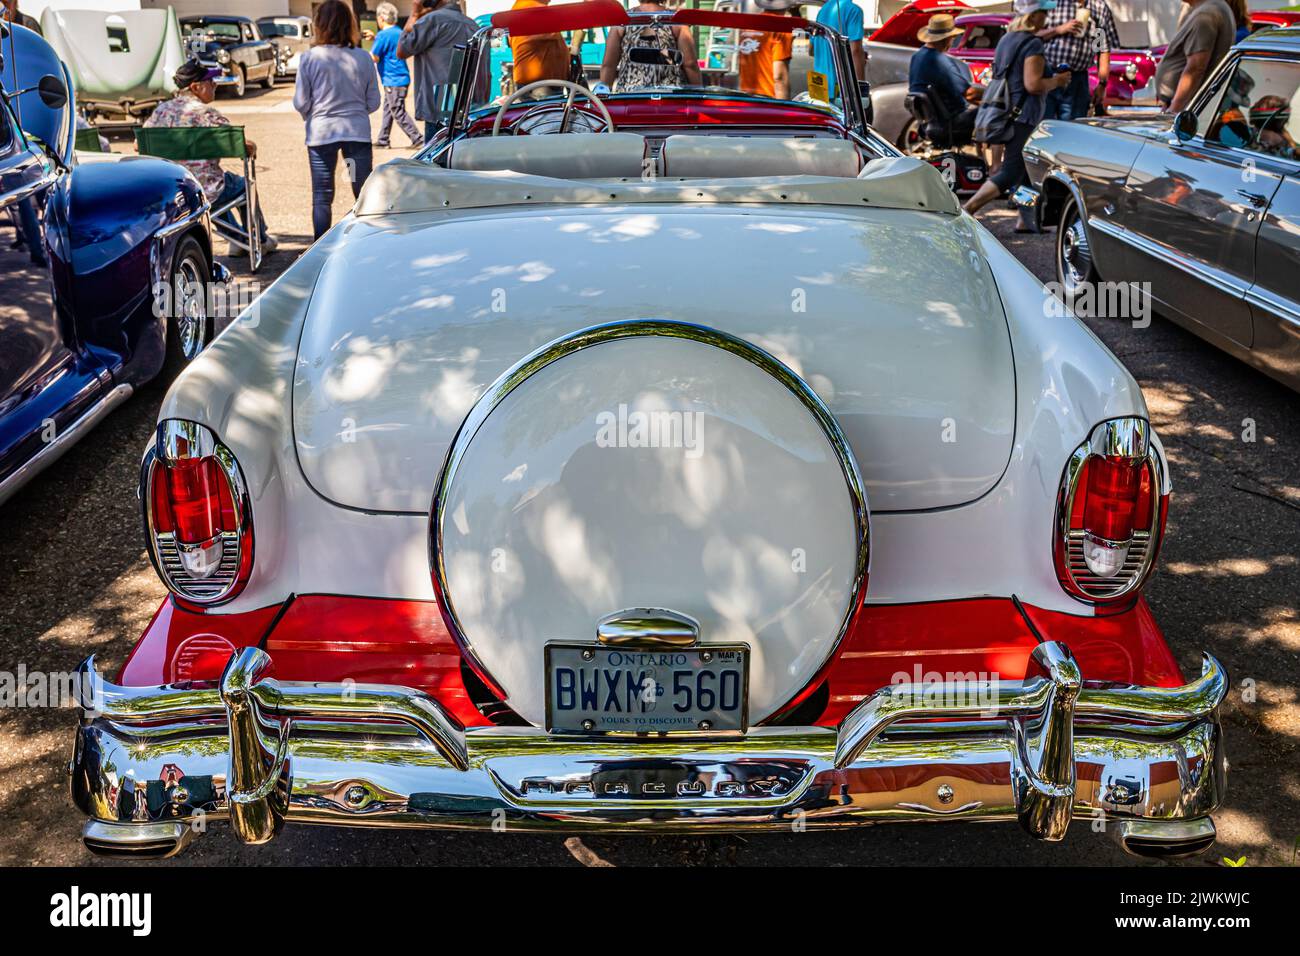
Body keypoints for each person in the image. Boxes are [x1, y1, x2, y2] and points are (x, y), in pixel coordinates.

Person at [145, 58, 274, 251]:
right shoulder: (206, 114)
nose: (215, 85)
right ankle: (258, 240)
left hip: (172, 189)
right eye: (210, 82)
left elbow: (139, 143)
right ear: (196, 87)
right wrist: (252, 146)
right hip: (204, 188)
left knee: (216, 186)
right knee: (240, 186)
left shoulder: (160, 111)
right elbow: (240, 145)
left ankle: (237, 239)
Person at [963, 0, 1072, 221]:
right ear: (1031, 17)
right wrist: (1058, 81)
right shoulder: (1033, 44)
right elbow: (1032, 84)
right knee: (1011, 171)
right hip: (1022, 115)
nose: (1046, 18)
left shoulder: (1006, 40)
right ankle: (968, 209)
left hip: (1005, 111)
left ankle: (1026, 219)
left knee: (1024, 170)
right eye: (1042, 13)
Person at [294, 1, 380, 240]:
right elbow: (373, 102)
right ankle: (365, 241)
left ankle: (320, 247)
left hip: (321, 134)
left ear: (319, 25)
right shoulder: (363, 58)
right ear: (349, 24)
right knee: (361, 191)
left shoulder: (309, 58)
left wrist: (312, 114)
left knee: (322, 195)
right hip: (356, 133)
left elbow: (301, 102)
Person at [398, 0, 477, 143]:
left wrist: (414, 14)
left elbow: (402, 50)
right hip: (468, 107)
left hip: (438, 108)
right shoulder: (473, 25)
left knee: (435, 161)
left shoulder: (432, 21)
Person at [1039, 0, 1121, 120]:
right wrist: (1059, 29)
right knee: (1043, 128)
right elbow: (1034, 35)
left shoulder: (1098, 7)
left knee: (1073, 129)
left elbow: (1102, 48)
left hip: (1077, 79)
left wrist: (1102, 84)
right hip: (1049, 76)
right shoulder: (1052, 3)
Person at [908, 14, 981, 141]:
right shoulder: (940, 61)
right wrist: (992, 93)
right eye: (952, 38)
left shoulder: (917, 56)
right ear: (947, 39)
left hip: (928, 122)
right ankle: (995, 159)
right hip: (950, 122)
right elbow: (969, 93)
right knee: (996, 111)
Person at [601, 2, 701, 92]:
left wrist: (603, 96)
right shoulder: (676, 21)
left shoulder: (623, 20)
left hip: (630, 96)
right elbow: (690, 64)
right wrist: (699, 94)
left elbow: (609, 65)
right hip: (670, 95)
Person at [1154, 0, 1234, 113]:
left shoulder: (1205, 15)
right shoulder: (1212, 8)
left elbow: (1196, 68)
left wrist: (1175, 109)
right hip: (1193, 107)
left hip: (1189, 110)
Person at [370, 2, 423, 148]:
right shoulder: (399, 32)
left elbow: (374, 57)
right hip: (401, 78)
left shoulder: (382, 35)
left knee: (397, 111)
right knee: (389, 109)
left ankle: (418, 138)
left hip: (392, 79)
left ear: (381, 18)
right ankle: (383, 139)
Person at [738, 0, 796, 99]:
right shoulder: (782, 28)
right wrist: (783, 108)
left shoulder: (748, 25)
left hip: (745, 97)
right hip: (768, 100)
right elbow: (779, 77)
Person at [508, 0, 571, 90]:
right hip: (540, 85)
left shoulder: (522, 6)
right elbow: (571, 19)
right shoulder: (533, 8)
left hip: (540, 82)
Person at [812, 0, 866, 101]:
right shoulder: (854, 10)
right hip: (840, 87)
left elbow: (812, 49)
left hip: (818, 84)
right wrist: (861, 89)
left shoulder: (822, 11)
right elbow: (855, 51)